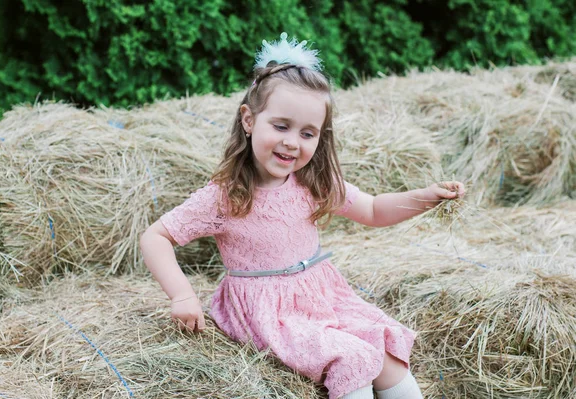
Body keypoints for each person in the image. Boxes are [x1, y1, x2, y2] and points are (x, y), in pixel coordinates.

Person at [140, 33, 465, 399]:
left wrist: (426, 197)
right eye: (281, 126)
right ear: (248, 120)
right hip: (265, 309)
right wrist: (182, 295)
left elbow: (373, 210)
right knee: (353, 360)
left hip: (321, 295)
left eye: (307, 133)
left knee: (387, 353)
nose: (293, 142)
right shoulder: (226, 196)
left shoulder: (312, 182)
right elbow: (155, 237)